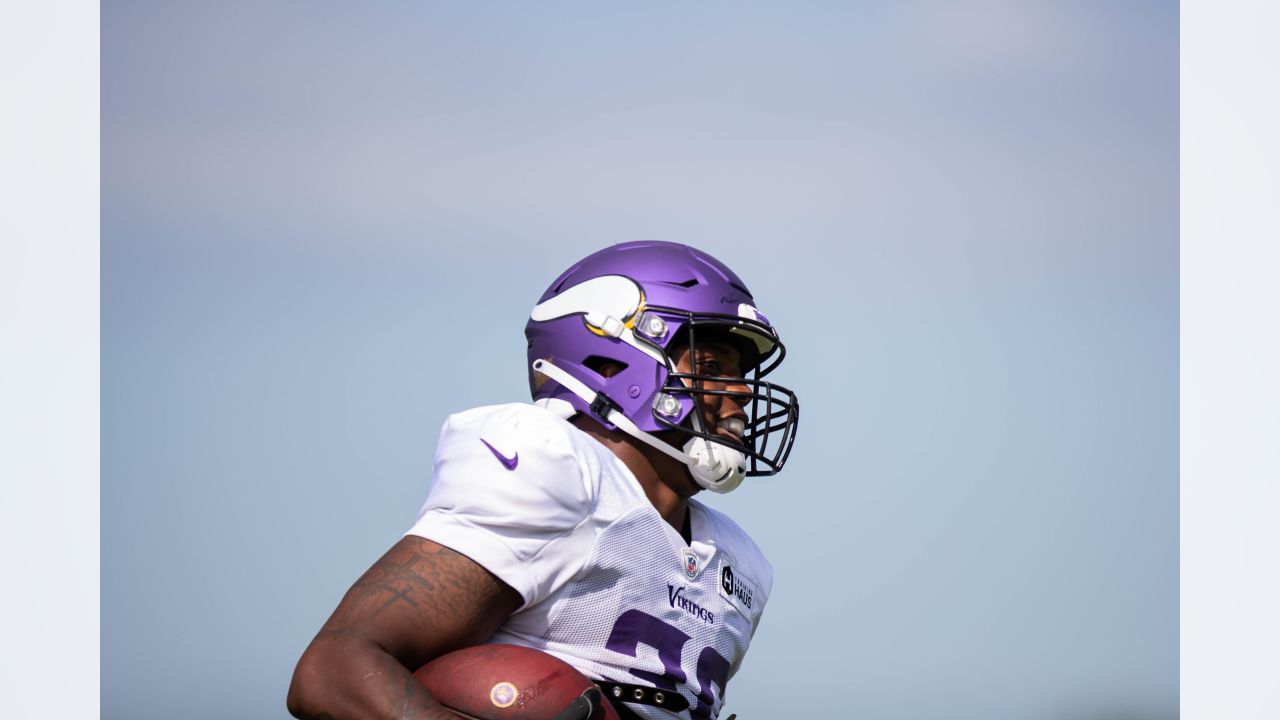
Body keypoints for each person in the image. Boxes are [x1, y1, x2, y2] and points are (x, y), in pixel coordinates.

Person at [287, 241, 799, 720]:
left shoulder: (741, 563)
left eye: (741, 373)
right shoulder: (559, 469)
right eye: (710, 364)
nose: (741, 393)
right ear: (612, 360)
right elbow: (334, 669)